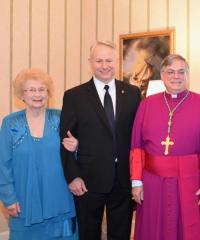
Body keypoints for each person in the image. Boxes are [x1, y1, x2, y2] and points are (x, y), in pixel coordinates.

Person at [60, 41, 141, 240]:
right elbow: (65, 141)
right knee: (88, 234)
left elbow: (138, 136)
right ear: (90, 62)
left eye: (108, 60)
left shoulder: (132, 93)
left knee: (121, 234)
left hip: (123, 180)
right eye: (98, 60)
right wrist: (73, 176)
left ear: (116, 62)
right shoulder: (74, 96)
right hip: (87, 180)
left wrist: (138, 177)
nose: (104, 65)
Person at [130, 54, 200, 240]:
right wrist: (136, 181)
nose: (176, 76)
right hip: (153, 184)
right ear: (162, 75)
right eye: (170, 72)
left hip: (195, 181)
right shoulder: (146, 105)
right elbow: (137, 147)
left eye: (181, 72)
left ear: (187, 75)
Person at [0, 68, 78, 239]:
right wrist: (8, 198)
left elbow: (78, 156)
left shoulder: (61, 118)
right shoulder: (10, 123)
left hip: (60, 200)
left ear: (48, 93)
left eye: (42, 89)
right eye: (31, 89)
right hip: (24, 202)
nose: (37, 94)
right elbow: (3, 165)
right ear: (22, 94)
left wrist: (76, 147)